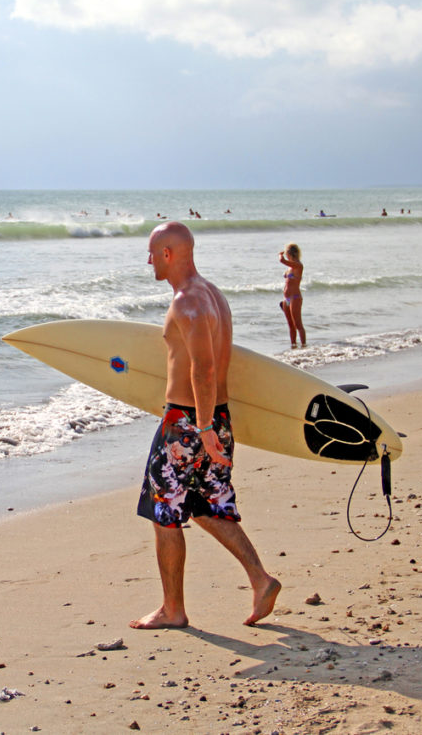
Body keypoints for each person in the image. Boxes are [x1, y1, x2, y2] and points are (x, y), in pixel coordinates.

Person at [131, 222, 281, 630]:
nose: (148, 261)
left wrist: (202, 429)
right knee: (206, 506)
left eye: (151, 253)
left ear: (167, 254)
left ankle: (172, 610)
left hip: (187, 424)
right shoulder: (214, 295)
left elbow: (203, 367)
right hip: (217, 416)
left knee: (165, 513)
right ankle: (261, 579)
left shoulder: (186, 302)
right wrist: (214, 426)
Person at [279, 243, 306, 348]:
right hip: (286, 298)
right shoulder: (289, 268)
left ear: (290, 254)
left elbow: (282, 261)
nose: (286, 255)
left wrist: (280, 255)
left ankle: (304, 345)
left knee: (298, 324)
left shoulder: (298, 265)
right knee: (291, 325)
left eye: (286, 253)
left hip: (295, 297)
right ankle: (293, 345)